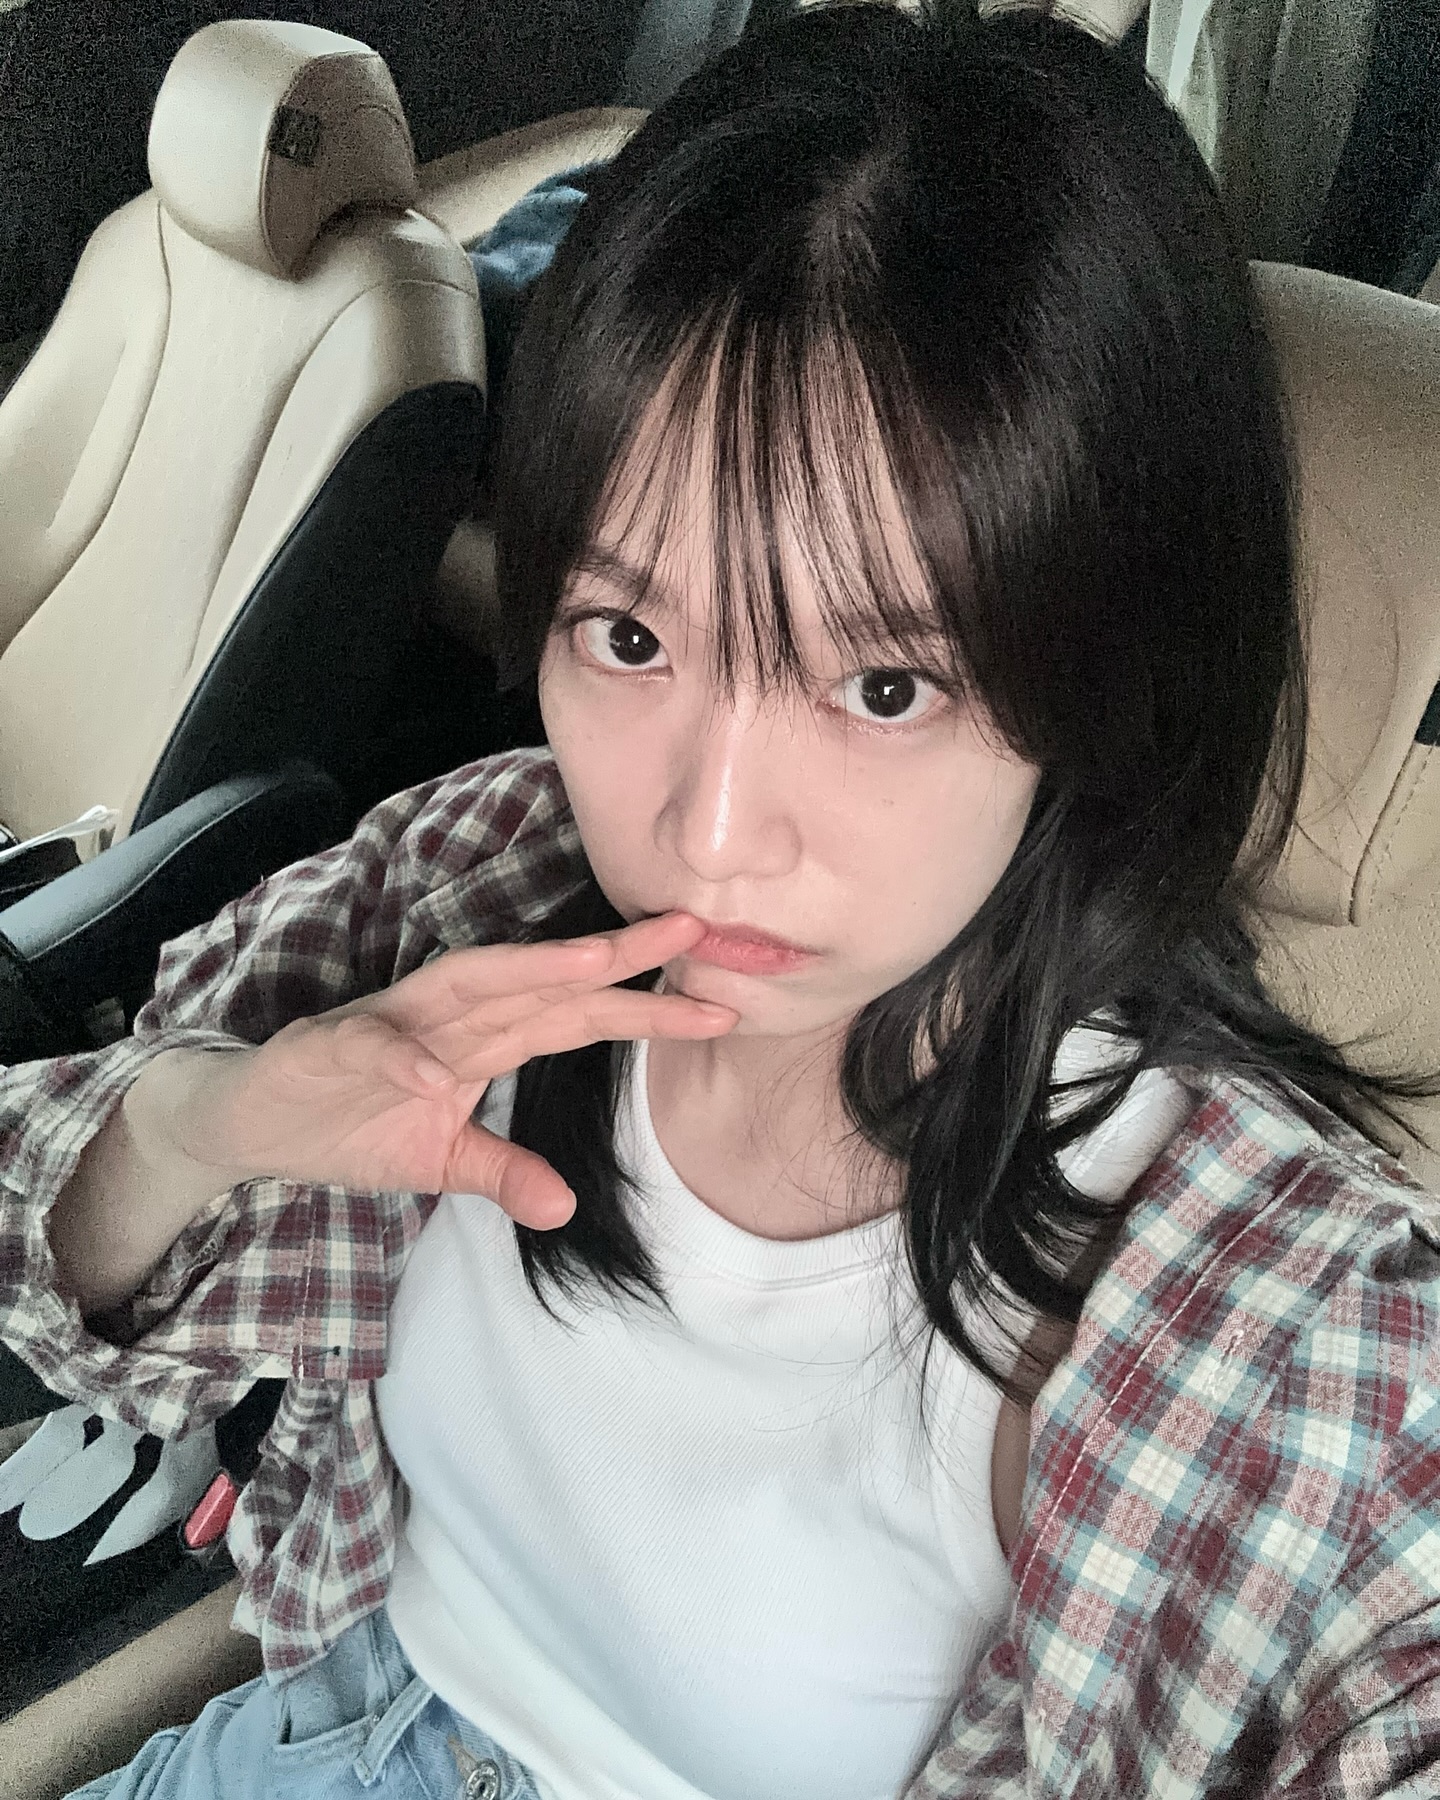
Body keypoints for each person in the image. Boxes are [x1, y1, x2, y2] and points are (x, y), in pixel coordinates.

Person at [2, 3, 1438, 1796]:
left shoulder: (1280, 1321)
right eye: (630, 636)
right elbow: (37, 1240)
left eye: (885, 686)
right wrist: (201, 1126)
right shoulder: (479, 871)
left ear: (1101, 678)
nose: (713, 829)